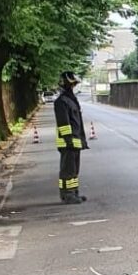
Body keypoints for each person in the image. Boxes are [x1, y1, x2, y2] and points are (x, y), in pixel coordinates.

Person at [54, 71, 88, 203]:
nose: (73, 86)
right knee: (67, 171)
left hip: (75, 141)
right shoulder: (61, 102)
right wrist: (69, 140)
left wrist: (81, 140)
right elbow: (64, 124)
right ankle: (67, 194)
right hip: (68, 143)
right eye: (71, 84)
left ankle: (73, 192)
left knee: (74, 170)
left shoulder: (71, 100)